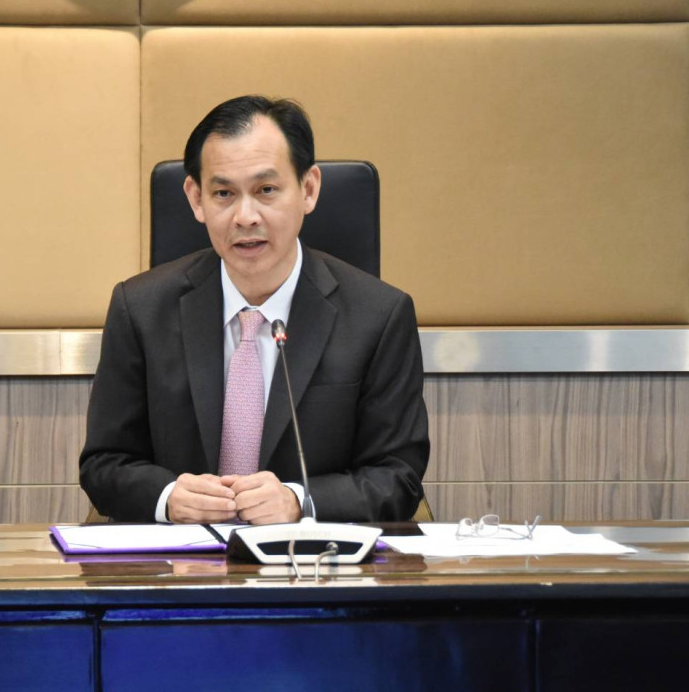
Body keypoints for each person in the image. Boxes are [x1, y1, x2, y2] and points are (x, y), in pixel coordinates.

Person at [80, 95, 428, 524]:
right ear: (196, 198)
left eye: (266, 190)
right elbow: (104, 463)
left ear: (308, 189)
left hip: (312, 560)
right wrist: (168, 497)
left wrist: (300, 501)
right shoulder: (140, 309)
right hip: (180, 557)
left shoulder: (380, 316)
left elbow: (398, 477)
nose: (245, 217)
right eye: (223, 193)